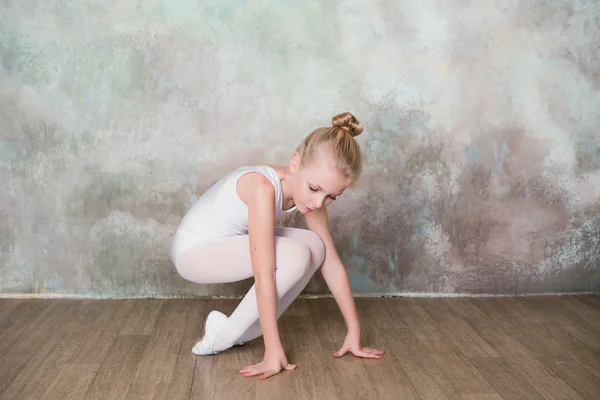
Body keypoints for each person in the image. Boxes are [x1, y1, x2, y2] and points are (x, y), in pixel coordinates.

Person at [171, 112, 384, 380]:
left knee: (316, 247)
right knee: (295, 255)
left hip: (225, 244)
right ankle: (227, 334)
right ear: (295, 163)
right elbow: (264, 274)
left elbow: (330, 262)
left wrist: (354, 332)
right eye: (315, 188)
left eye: (332, 197)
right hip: (194, 252)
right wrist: (272, 350)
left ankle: (227, 332)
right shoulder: (262, 188)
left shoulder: (306, 191)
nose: (319, 203)